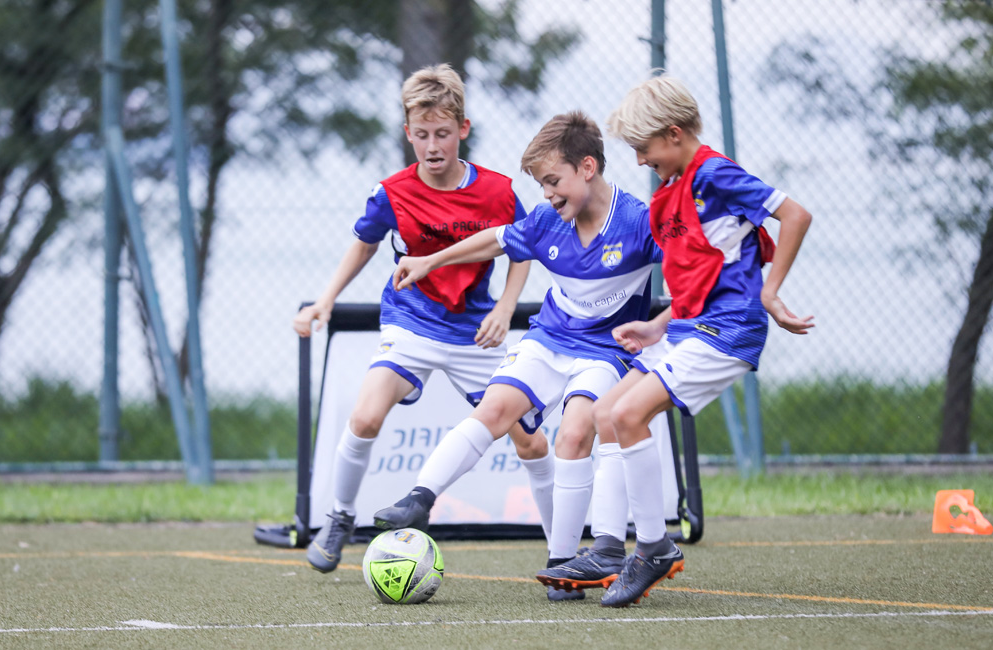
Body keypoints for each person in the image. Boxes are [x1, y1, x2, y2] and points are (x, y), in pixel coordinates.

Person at [372, 111, 665, 601]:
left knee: (576, 431)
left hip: (604, 352)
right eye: (541, 185)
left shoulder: (638, 223)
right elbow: (496, 239)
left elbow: (691, 262)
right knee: (494, 408)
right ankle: (420, 499)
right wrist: (428, 260)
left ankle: (563, 565)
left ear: (587, 167)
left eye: (553, 182)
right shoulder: (549, 220)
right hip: (548, 339)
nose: (547, 195)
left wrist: (670, 322)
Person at [294, 63, 552, 574]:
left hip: (474, 332)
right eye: (421, 135)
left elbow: (522, 250)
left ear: (463, 130)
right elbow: (365, 245)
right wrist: (325, 299)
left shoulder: (498, 192)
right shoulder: (392, 192)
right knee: (365, 416)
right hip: (409, 323)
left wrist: (504, 307)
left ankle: (560, 549)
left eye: (442, 133)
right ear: (407, 132)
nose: (432, 146)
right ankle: (340, 517)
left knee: (530, 439)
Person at [567, 73, 814, 608]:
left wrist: (771, 292)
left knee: (629, 417)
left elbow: (795, 215)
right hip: (689, 327)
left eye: (643, 148)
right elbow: (704, 278)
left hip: (730, 330)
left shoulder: (717, 174)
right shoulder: (671, 196)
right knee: (605, 413)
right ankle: (610, 550)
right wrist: (657, 326)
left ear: (674, 134)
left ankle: (653, 547)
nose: (638, 161)